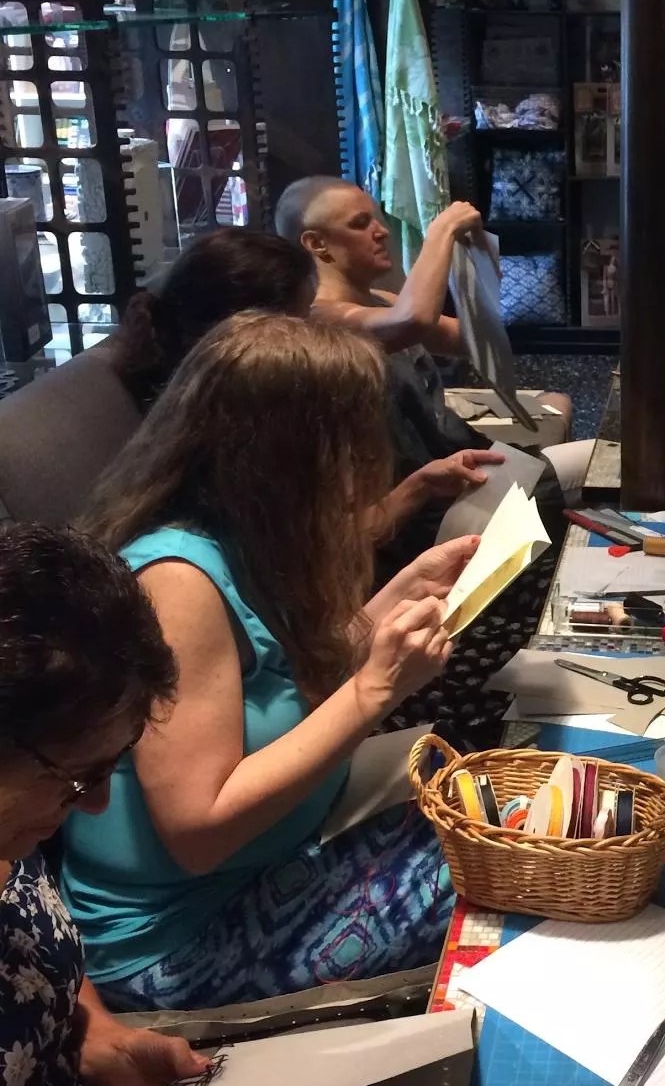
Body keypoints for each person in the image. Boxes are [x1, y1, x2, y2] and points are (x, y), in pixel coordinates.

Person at [0, 524, 527, 1086]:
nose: (95, 805)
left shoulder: (16, 829)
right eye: (79, 778)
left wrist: (101, 1036)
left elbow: (43, 952)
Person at [62, 313, 480, 1011]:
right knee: (507, 861)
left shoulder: (247, 540)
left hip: (269, 866)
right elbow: (200, 832)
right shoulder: (176, 583)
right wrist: (374, 690)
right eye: (356, 443)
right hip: (183, 939)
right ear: (288, 457)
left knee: (490, 804)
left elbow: (278, 675)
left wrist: (397, 596)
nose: (373, 464)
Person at [106, 227, 506, 565]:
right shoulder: (229, 447)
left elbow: (333, 537)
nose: (312, 329)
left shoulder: (241, 413)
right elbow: (312, 563)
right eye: (303, 318)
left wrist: (418, 487)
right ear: (249, 333)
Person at [276, 177, 592, 522]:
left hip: (464, 462)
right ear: (317, 243)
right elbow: (413, 320)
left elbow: (471, 340)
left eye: (376, 219)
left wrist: (475, 262)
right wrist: (441, 231)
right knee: (606, 464)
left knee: (599, 457)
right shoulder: (320, 321)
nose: (381, 231)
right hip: (434, 501)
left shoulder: (380, 300)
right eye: (360, 223)